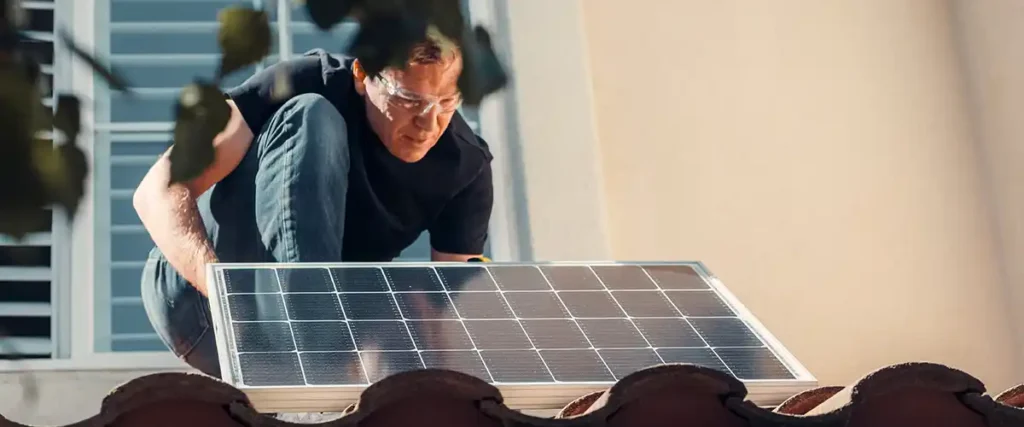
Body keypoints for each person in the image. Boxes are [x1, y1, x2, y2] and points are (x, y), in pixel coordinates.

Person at [134, 36, 494, 378]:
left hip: (317, 339)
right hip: (204, 310)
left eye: (446, 103)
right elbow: (156, 190)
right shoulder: (308, 80)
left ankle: (320, 360)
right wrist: (221, 293)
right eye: (409, 99)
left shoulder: (464, 165)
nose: (428, 124)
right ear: (361, 76)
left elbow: (446, 306)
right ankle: (313, 350)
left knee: (415, 293)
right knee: (311, 115)